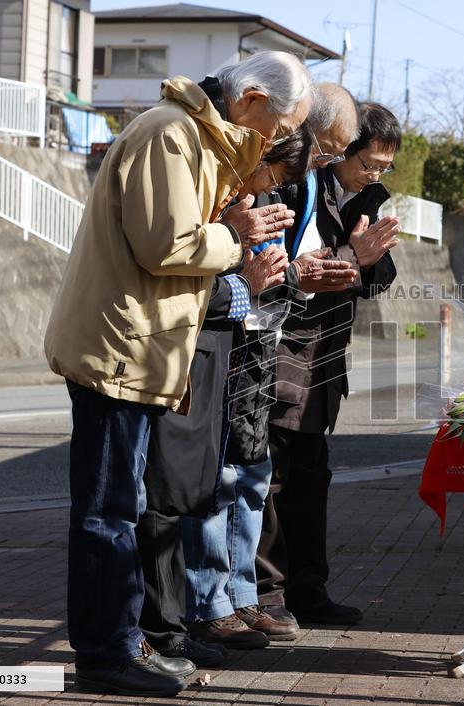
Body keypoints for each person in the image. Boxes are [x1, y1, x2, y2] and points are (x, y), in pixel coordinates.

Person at [43, 50, 312, 697]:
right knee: (108, 511)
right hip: (119, 348)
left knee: (122, 507)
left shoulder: (188, 134)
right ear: (248, 97)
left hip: (136, 347)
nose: (271, 142)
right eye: (275, 127)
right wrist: (236, 236)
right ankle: (107, 656)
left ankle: (123, 644)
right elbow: (166, 243)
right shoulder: (171, 132)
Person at [181, 83, 363, 648]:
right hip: (223, 343)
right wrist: (255, 273)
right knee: (213, 480)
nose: (327, 165)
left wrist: (308, 274)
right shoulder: (226, 171)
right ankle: (211, 602)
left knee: (251, 475)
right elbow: (195, 263)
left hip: (263, 336)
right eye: (324, 150)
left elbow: (289, 264)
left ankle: (242, 595)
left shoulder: (298, 182)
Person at [136, 127, 314, 665]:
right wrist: (244, 268)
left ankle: (227, 602)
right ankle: (189, 618)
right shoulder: (203, 181)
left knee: (241, 479)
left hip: (244, 348)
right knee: (176, 494)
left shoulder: (252, 195)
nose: (278, 191)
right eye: (281, 175)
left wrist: (295, 275)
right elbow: (176, 270)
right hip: (193, 355)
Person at [262, 102, 403, 626]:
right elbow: (287, 271)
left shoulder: (368, 197)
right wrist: (352, 255)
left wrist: (362, 257)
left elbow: (379, 274)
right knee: (270, 478)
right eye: (368, 163)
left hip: (325, 351)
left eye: (384, 168)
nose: (374, 175)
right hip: (279, 349)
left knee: (311, 476)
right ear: (340, 149)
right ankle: (267, 595)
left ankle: (308, 590)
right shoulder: (298, 185)